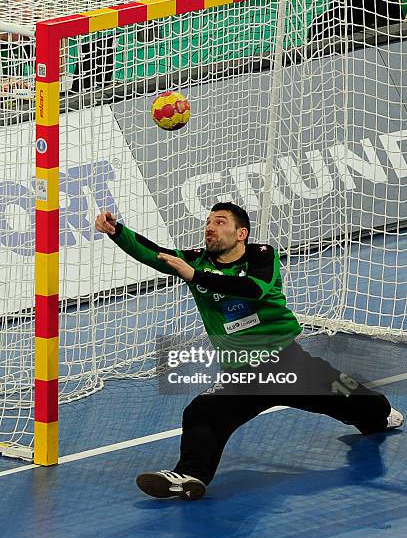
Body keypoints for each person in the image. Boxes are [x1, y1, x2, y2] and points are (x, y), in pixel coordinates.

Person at [95, 202, 404, 500]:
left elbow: (253, 289)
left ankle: (377, 417)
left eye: (220, 222)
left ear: (241, 233)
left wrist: (195, 277)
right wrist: (117, 231)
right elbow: (155, 254)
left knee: (368, 406)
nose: (210, 228)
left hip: (288, 364)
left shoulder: (261, 256)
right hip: (242, 376)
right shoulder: (197, 261)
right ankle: (191, 476)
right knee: (201, 413)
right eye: (208, 222)